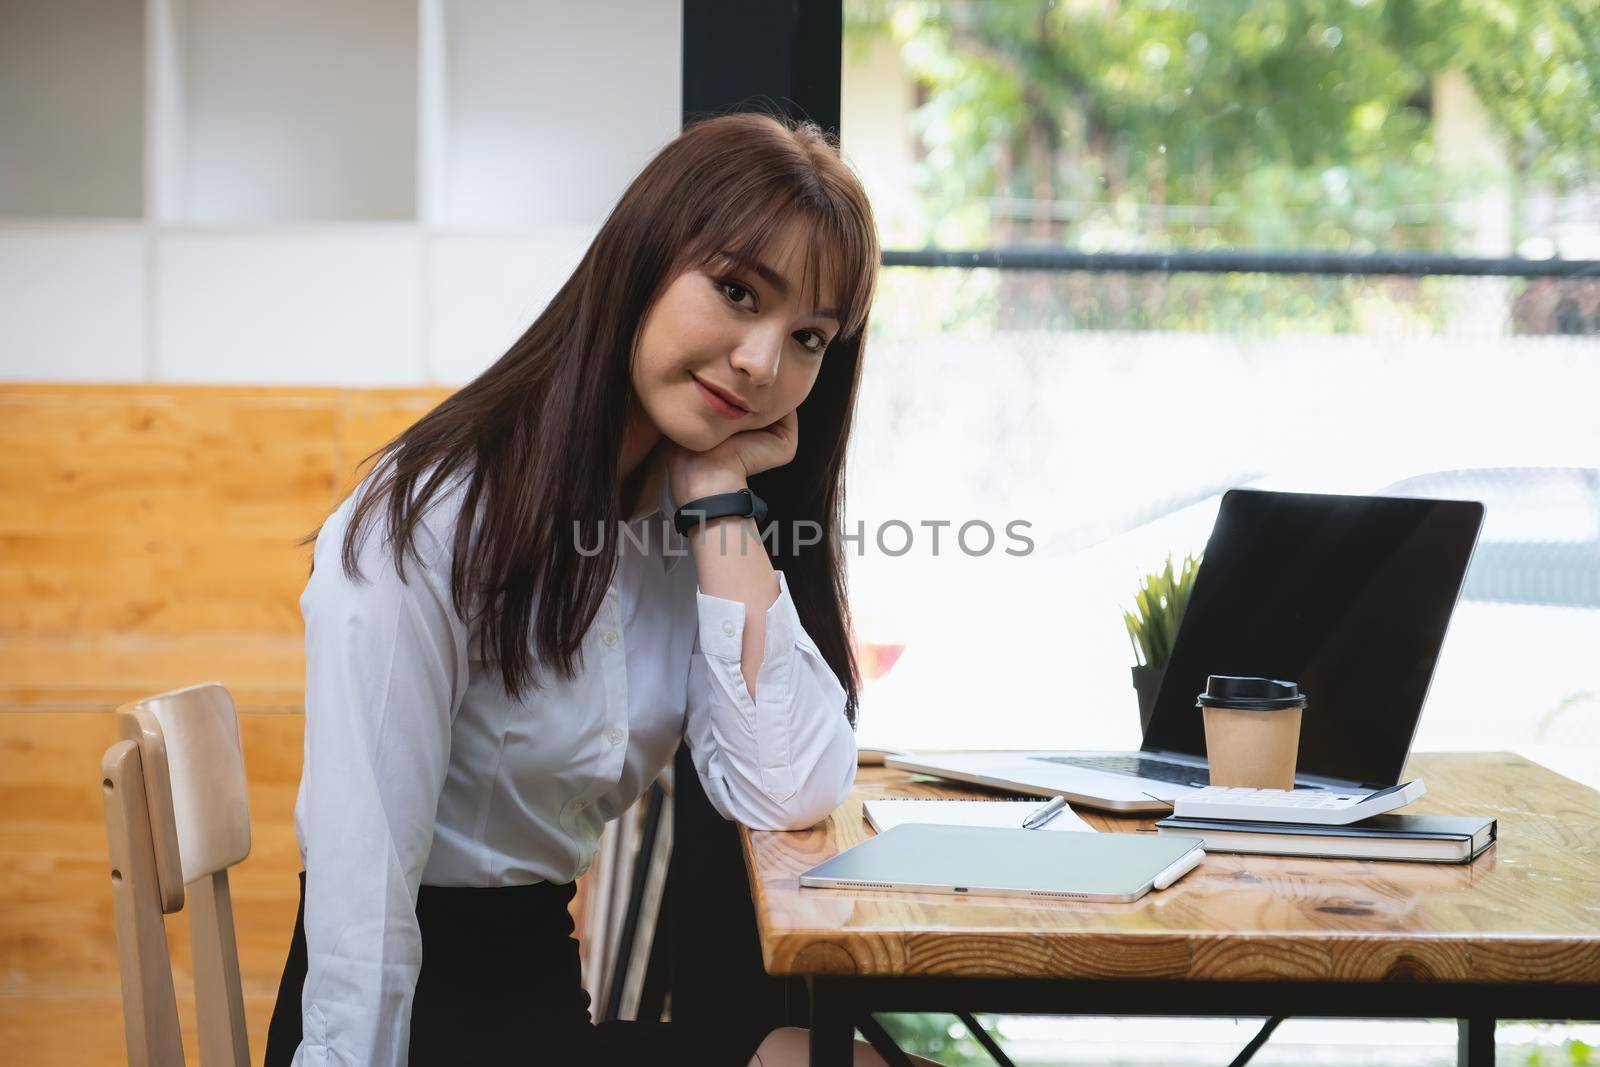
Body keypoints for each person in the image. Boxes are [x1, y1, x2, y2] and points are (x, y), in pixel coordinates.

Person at [262, 113, 901, 1066]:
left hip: (543, 1011)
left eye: (808, 336)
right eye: (735, 291)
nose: (765, 364)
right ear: (643, 259)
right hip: (414, 1032)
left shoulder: (677, 518)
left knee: (848, 1057)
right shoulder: (424, 521)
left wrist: (720, 500)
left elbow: (788, 786)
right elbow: (362, 903)